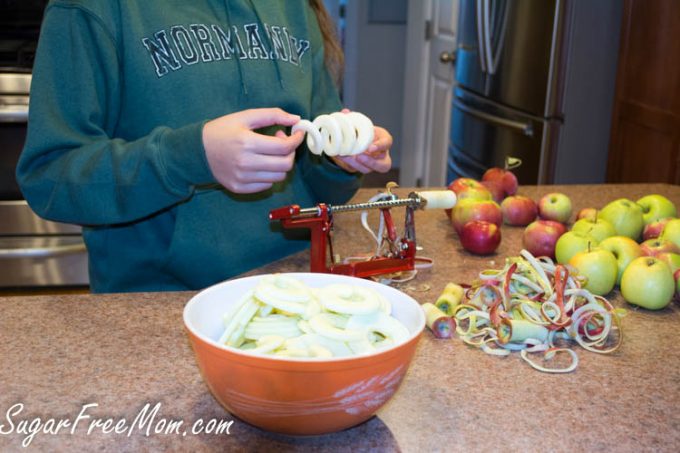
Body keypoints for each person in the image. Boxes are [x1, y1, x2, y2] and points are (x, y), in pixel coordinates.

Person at [17, 0, 393, 293]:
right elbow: (50, 178)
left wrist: (342, 160)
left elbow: (316, 175)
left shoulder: (295, 8)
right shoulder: (91, 9)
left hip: (293, 286)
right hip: (160, 305)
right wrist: (190, 157)